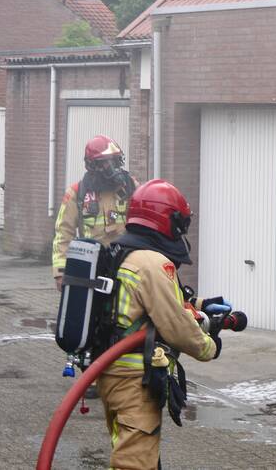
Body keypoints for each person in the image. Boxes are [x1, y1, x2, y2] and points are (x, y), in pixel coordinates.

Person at [98, 178, 221, 470]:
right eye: (178, 224)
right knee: (135, 462)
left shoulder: (121, 251)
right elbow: (175, 325)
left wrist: (200, 304)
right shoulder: (152, 263)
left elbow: (148, 305)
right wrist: (209, 347)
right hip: (133, 380)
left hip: (111, 373)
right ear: (166, 220)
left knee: (131, 452)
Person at [52, 135, 137, 291]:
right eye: (106, 162)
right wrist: (60, 272)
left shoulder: (131, 187)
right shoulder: (77, 193)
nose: (114, 168)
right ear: (92, 165)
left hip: (127, 264)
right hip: (92, 267)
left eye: (116, 161)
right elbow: (63, 234)